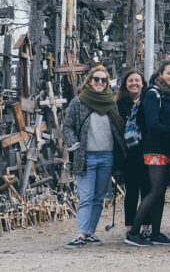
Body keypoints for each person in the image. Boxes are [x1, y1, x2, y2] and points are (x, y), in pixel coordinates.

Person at [62, 64, 126, 248]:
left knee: (99, 197)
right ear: (89, 81)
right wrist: (73, 144)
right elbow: (67, 126)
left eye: (103, 80)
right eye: (96, 79)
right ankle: (80, 234)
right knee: (86, 196)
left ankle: (90, 232)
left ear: (107, 83)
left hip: (107, 156)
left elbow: (118, 127)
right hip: (86, 156)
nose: (99, 82)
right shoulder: (79, 102)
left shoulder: (111, 103)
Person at [125, 60, 170, 247]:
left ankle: (156, 233)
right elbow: (153, 124)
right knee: (154, 190)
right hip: (154, 147)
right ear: (160, 75)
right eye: (169, 73)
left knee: (160, 192)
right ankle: (133, 233)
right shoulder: (153, 94)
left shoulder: (169, 95)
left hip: (166, 148)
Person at [116, 70, 149, 234]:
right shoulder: (120, 104)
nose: (134, 83)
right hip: (129, 153)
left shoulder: (148, 101)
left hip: (146, 149)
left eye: (137, 80)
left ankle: (146, 227)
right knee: (131, 191)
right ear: (125, 85)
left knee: (147, 190)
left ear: (143, 83)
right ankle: (130, 227)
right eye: (130, 81)